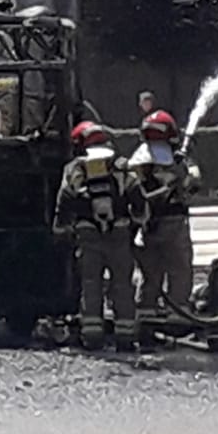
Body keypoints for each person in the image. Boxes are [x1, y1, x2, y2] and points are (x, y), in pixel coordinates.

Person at [55, 121, 149, 352]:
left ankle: (92, 337)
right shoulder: (121, 166)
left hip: (87, 233)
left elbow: (65, 198)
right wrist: (134, 228)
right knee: (122, 285)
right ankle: (126, 338)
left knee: (90, 284)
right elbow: (139, 200)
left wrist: (61, 229)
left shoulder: (75, 168)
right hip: (119, 231)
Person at [130, 110, 201, 328]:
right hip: (174, 223)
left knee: (151, 269)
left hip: (149, 226)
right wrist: (182, 179)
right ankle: (177, 309)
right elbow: (195, 181)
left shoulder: (141, 159)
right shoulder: (178, 160)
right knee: (179, 267)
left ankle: (146, 308)